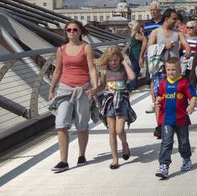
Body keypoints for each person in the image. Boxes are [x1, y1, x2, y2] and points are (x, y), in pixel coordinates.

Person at [48, 20, 98, 173]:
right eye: (68, 30)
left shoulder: (86, 47)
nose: (71, 32)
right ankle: (63, 161)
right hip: (64, 89)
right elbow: (57, 71)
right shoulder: (61, 49)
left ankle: (81, 156)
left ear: (80, 31)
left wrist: (94, 87)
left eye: (75, 30)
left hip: (82, 89)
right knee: (61, 123)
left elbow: (91, 69)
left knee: (82, 125)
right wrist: (52, 89)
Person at [148, 8, 191, 138]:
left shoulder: (177, 33)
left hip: (174, 71)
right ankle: (160, 125)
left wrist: (187, 50)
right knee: (159, 98)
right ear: (166, 19)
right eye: (174, 18)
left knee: (174, 96)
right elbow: (149, 48)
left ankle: (174, 120)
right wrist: (163, 47)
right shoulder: (156, 32)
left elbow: (185, 44)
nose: (176, 21)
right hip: (160, 70)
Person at [155, 57, 197, 179]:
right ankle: (164, 165)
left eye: (173, 70)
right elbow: (159, 95)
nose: (171, 72)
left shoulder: (184, 82)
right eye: (168, 70)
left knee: (183, 142)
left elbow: (193, 96)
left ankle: (186, 158)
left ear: (179, 69)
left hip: (181, 119)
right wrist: (158, 100)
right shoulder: (163, 83)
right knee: (166, 142)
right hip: (166, 120)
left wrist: (192, 105)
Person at [96, 45, 136, 169]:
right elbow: (103, 85)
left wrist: (124, 63)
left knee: (119, 130)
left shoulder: (123, 69)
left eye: (116, 60)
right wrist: (94, 90)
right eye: (111, 60)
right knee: (111, 131)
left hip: (122, 100)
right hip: (109, 101)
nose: (113, 63)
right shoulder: (104, 70)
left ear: (119, 59)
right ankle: (115, 158)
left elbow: (132, 77)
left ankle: (124, 144)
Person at [142, 1, 163, 114]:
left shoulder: (164, 23)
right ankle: (154, 101)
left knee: (163, 77)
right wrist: (141, 55)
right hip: (150, 54)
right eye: (151, 10)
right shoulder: (147, 24)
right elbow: (145, 40)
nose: (153, 12)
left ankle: (163, 100)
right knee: (151, 78)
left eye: (154, 10)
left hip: (162, 53)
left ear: (159, 10)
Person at [181, 20, 197, 90]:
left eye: (191, 27)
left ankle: (192, 95)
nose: (189, 29)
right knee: (184, 79)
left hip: (195, 61)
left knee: (193, 79)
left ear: (195, 28)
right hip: (185, 61)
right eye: (188, 27)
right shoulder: (183, 38)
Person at [128, 21, 147, 91]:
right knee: (135, 69)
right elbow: (145, 39)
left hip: (132, 53)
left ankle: (133, 85)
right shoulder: (136, 34)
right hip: (136, 53)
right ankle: (133, 86)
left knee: (134, 69)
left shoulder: (132, 33)